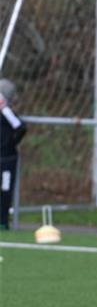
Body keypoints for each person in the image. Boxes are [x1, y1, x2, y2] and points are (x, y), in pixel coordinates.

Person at [0, 78, 26, 230]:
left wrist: (11, 143)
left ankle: (2, 221)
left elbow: (21, 128)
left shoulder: (7, 113)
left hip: (7, 159)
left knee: (5, 189)